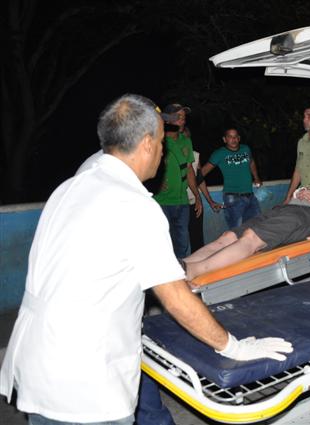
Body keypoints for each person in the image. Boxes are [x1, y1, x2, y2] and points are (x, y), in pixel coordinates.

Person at [0, 94, 292, 425]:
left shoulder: (71, 186)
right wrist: (234, 348)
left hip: (35, 366)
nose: (165, 151)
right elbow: (176, 296)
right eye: (161, 141)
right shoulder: (134, 205)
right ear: (147, 145)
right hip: (85, 386)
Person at [184, 184, 310, 280]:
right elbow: (308, 192)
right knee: (227, 237)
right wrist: (304, 190)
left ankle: (194, 272)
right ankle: (183, 265)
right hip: (286, 209)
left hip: (306, 217)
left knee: (251, 239)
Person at [153, 103, 201, 258]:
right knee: (161, 244)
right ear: (167, 120)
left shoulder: (185, 141)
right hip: (161, 202)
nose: (182, 120)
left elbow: (189, 170)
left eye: (184, 117)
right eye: (178, 117)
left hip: (182, 202)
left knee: (182, 244)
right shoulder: (157, 141)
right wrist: (155, 182)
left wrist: (197, 197)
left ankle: (179, 276)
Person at [201, 127, 262, 229]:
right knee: (236, 231)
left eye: (235, 137)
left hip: (250, 196)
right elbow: (202, 173)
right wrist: (210, 201)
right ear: (224, 139)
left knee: (257, 227)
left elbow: (251, 162)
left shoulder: (245, 149)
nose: (233, 139)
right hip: (233, 198)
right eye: (230, 137)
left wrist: (256, 178)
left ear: (239, 138)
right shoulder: (219, 153)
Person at [188, 150, 222, 252]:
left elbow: (199, 179)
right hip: (174, 203)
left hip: (194, 201)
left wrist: (210, 202)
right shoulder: (166, 152)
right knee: (177, 239)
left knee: (197, 239)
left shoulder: (194, 155)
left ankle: (199, 263)